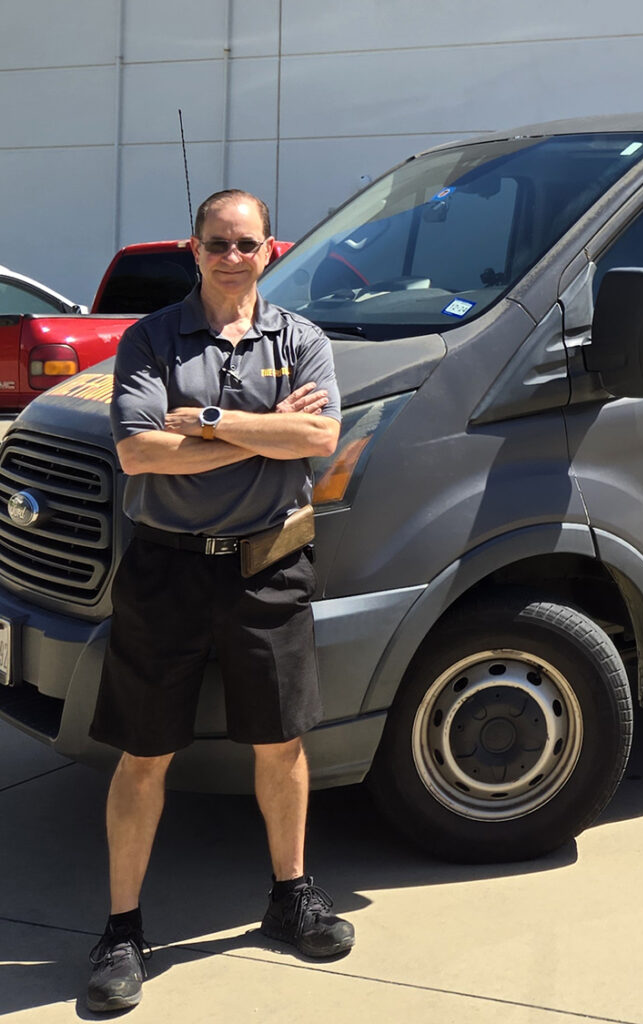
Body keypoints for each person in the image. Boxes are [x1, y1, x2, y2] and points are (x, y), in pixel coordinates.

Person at [85, 189, 353, 1013]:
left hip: (268, 568)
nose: (232, 257)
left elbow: (316, 440)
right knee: (145, 752)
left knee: (280, 743)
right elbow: (136, 452)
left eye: (246, 244)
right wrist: (257, 428)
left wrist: (202, 420)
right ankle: (123, 929)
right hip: (165, 572)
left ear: (270, 250)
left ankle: (291, 895)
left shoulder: (301, 340)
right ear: (193, 251)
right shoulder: (150, 338)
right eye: (217, 243)